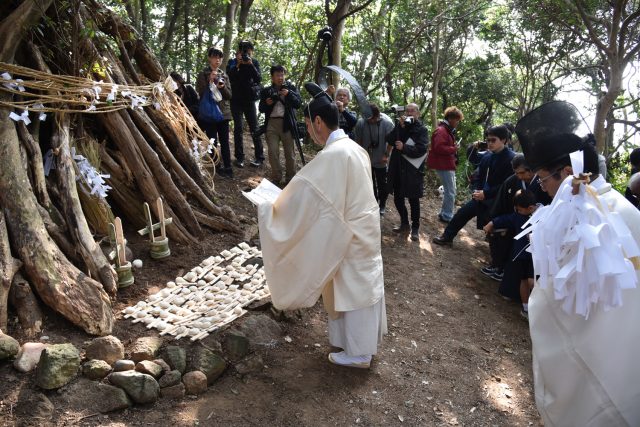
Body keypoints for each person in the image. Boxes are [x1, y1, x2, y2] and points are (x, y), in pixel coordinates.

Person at [515, 100, 640, 426]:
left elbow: (559, 302)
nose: (542, 188)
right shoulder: (625, 209)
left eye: (543, 179)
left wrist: (538, 299)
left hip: (597, 371)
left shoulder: (587, 220)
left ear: (568, 173)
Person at [257, 83, 386, 369]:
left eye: (307, 124)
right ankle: (350, 344)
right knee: (353, 286)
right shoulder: (353, 147)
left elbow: (309, 194)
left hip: (351, 231)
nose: (308, 132)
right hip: (363, 227)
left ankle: (359, 353)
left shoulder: (335, 155)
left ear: (317, 122)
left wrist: (272, 206)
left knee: (354, 289)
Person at [433, 125, 515, 249]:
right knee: (462, 213)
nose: (490, 143)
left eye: (494, 140)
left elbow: (507, 185)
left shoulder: (512, 159)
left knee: (497, 231)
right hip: (482, 197)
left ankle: (497, 262)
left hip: (500, 201)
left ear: (504, 140)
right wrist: (478, 190)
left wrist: (486, 194)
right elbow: (479, 176)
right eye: (488, 140)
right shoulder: (488, 156)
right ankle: (447, 237)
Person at [482, 154, 551, 284]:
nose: (519, 176)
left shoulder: (542, 182)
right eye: (516, 173)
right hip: (516, 219)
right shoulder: (513, 181)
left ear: (531, 169)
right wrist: (494, 219)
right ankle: (499, 266)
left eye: (521, 173)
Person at [483, 189, 538, 320]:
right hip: (519, 256)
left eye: (519, 209)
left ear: (531, 208)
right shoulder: (518, 216)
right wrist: (491, 223)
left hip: (534, 257)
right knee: (523, 280)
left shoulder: (542, 215)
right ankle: (525, 307)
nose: (517, 211)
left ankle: (535, 307)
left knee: (532, 282)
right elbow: (504, 219)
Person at [385, 103, 429, 241]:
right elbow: (390, 139)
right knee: (398, 198)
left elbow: (421, 149)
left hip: (412, 170)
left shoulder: (422, 130)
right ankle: (405, 223)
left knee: (413, 199)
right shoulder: (400, 125)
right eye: (407, 111)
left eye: (413, 111)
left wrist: (404, 147)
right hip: (397, 168)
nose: (410, 113)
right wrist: (400, 127)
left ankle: (415, 227)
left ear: (418, 113)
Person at [258, 65, 302, 185]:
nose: (280, 77)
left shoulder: (291, 88)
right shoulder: (267, 91)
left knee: (290, 153)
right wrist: (267, 103)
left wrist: (288, 94)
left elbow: (298, 104)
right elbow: (261, 108)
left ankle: (290, 178)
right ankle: (276, 177)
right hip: (271, 123)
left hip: (287, 123)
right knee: (272, 151)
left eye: (282, 74)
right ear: (272, 77)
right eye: (277, 75)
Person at [195, 48, 233, 177]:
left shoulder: (224, 75)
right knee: (212, 141)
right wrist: (208, 81)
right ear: (209, 58)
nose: (218, 60)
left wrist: (222, 87)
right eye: (215, 57)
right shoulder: (203, 74)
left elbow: (229, 95)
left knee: (225, 141)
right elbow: (200, 92)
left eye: (220, 57)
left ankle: (228, 168)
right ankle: (216, 165)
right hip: (209, 113)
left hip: (223, 114)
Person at [226, 40, 265, 168]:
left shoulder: (254, 62)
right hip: (236, 99)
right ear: (239, 51)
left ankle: (259, 157)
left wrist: (250, 65)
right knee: (238, 128)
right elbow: (229, 77)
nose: (246, 53)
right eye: (244, 51)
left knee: (255, 128)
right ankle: (239, 157)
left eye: (248, 51)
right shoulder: (232, 62)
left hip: (249, 99)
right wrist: (237, 64)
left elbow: (258, 79)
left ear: (251, 51)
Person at [353, 104, 395, 215]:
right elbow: (358, 141)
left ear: (377, 116)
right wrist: (361, 156)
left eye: (372, 118)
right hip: (366, 158)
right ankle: (374, 203)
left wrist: (386, 155)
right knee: (369, 183)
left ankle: (382, 205)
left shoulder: (387, 123)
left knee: (382, 184)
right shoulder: (361, 123)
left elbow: (391, 142)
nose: (370, 120)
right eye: (368, 118)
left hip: (382, 158)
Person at [427, 107, 463, 223]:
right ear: (451, 118)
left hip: (446, 164)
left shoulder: (445, 130)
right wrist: (454, 148)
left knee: (449, 191)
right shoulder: (442, 130)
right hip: (444, 164)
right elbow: (438, 148)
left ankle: (444, 213)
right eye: (457, 120)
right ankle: (447, 215)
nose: (457, 123)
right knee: (451, 191)